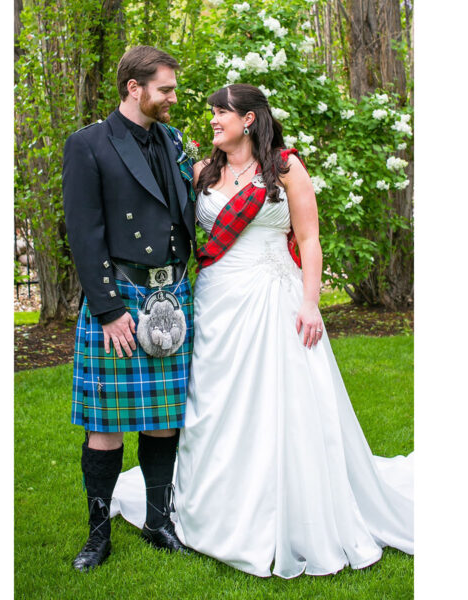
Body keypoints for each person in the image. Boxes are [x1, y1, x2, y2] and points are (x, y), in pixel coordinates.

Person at [110, 83, 413, 579]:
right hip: (216, 301)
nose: (212, 121)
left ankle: (286, 510)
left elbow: (310, 239)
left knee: (282, 401)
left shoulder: (286, 168)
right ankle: (209, 506)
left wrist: (312, 303)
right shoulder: (203, 171)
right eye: (211, 114)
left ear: (248, 119)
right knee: (213, 402)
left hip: (277, 297)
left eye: (219, 114)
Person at [62, 45, 196, 572]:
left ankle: (157, 520)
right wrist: (108, 308)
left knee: (164, 420)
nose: (172, 97)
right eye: (165, 88)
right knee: (106, 423)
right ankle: (98, 536)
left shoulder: (174, 141)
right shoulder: (90, 144)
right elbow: (83, 232)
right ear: (133, 88)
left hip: (172, 295)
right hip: (121, 296)